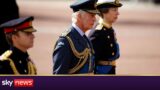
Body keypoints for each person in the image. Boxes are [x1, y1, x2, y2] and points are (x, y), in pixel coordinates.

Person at [52, 0, 98, 74]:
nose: (95, 19)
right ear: (79, 16)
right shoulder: (66, 41)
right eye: (92, 15)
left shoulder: (85, 39)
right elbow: (59, 76)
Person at [88, 0, 122, 74]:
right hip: (101, 72)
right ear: (104, 11)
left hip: (110, 70)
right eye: (114, 10)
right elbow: (91, 60)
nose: (118, 13)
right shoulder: (98, 32)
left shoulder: (108, 28)